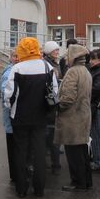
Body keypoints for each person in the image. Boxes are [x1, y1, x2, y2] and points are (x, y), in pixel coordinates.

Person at [4, 38, 57, 197]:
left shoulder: (17, 68)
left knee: (20, 151)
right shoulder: (47, 66)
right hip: (41, 116)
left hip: (20, 116)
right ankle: (39, 188)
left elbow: (10, 95)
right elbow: (54, 91)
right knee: (39, 152)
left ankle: (21, 188)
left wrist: (10, 108)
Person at [55, 44, 93, 192]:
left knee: (73, 153)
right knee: (82, 151)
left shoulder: (72, 72)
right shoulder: (85, 71)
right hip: (83, 115)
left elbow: (68, 98)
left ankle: (78, 182)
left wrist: (58, 106)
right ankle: (86, 181)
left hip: (72, 118)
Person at [42, 40, 62, 173]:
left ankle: (53, 163)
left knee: (50, 133)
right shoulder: (48, 65)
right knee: (50, 133)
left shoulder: (55, 63)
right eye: (55, 50)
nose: (57, 52)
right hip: (50, 101)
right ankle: (54, 164)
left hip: (51, 100)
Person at [0, 49, 18, 183]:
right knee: (13, 145)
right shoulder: (9, 72)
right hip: (11, 117)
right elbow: (6, 94)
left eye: (19, 56)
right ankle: (14, 173)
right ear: (10, 57)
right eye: (14, 56)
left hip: (13, 116)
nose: (17, 58)